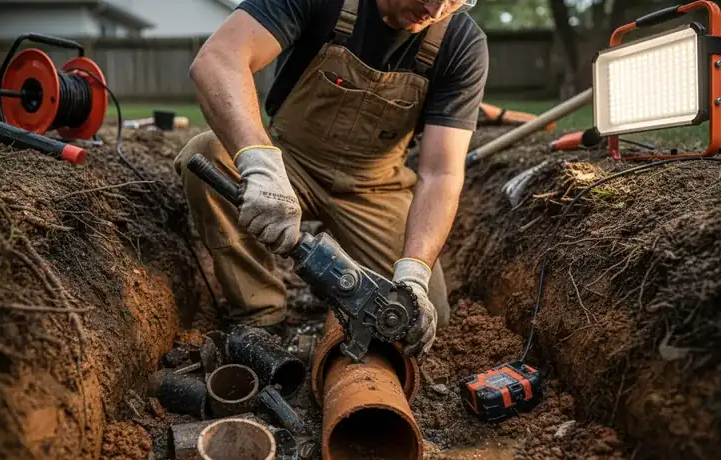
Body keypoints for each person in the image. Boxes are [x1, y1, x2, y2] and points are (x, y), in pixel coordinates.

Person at [174, 0, 489, 360]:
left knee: (416, 313)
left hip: (374, 186)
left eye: (454, 1)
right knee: (207, 156)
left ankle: (342, 277)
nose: (435, 12)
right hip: (290, 163)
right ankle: (260, 312)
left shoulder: (462, 43)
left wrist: (415, 272)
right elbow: (218, 58)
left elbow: (440, 172)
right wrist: (260, 162)